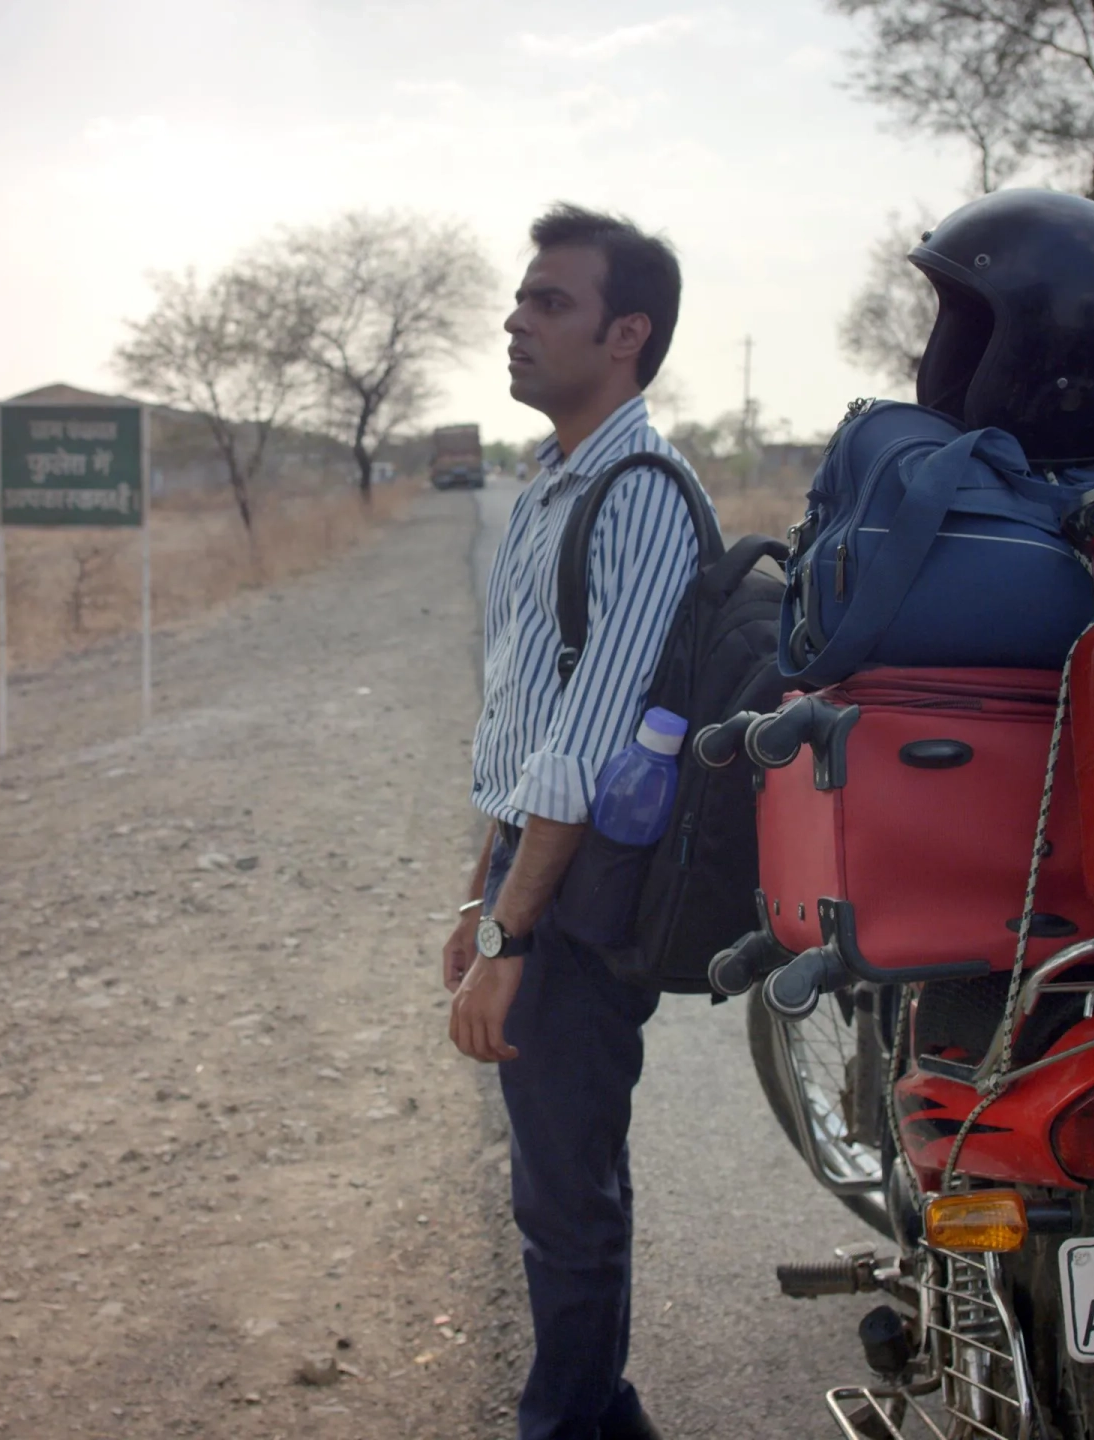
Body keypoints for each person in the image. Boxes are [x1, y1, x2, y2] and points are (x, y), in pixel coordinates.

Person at [443, 203, 707, 1440]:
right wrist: (477, 893)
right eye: (522, 296)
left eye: (550, 301)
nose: (516, 319)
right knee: (558, 1179)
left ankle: (572, 1424)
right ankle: (600, 1421)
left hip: (588, 892)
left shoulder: (640, 491)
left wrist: (513, 938)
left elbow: (588, 749)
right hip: (528, 872)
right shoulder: (554, 483)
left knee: (567, 1192)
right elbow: (521, 716)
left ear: (625, 333)